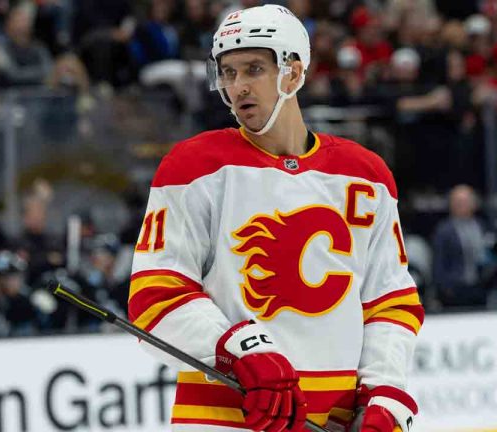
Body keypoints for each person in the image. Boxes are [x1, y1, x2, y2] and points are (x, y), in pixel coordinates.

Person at [128, 5, 424, 432]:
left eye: (254, 69)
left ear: (294, 72)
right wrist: (238, 348)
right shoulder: (194, 167)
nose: (239, 86)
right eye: (228, 73)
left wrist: (384, 392)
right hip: (225, 419)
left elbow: (390, 301)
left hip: (337, 421)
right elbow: (154, 297)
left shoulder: (366, 175)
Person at [432, 185, 489, 308]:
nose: (461, 205)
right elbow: (438, 262)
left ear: (474, 203)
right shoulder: (444, 230)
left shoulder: (481, 226)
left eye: (465, 201)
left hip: (479, 288)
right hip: (454, 290)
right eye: (458, 201)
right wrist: (444, 289)